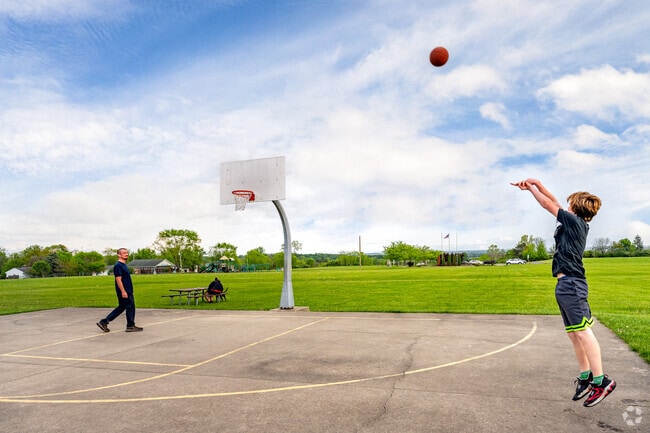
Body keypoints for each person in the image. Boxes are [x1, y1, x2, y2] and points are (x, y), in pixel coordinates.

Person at [511, 179, 615, 407]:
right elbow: (554, 202)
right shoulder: (573, 222)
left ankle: (601, 381)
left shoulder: (574, 222)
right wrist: (536, 184)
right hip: (566, 284)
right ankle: (586, 376)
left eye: (569, 204)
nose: (565, 206)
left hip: (572, 284)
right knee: (574, 333)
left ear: (575, 208)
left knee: (584, 332)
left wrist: (531, 190)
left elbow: (548, 205)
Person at [96, 248, 143, 333]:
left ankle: (104, 322)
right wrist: (123, 291)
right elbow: (118, 279)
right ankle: (130, 326)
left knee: (122, 307)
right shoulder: (118, 265)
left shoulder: (123, 265)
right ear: (119, 255)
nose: (126, 254)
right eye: (124, 253)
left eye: (127, 253)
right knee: (130, 307)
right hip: (124, 290)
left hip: (127, 290)